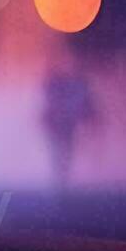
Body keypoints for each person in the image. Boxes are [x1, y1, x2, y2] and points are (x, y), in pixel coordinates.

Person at [41, 55, 97, 186]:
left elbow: (83, 102)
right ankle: (61, 176)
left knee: (64, 147)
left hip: (64, 121)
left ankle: (62, 175)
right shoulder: (56, 85)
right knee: (60, 148)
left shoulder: (70, 85)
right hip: (58, 122)